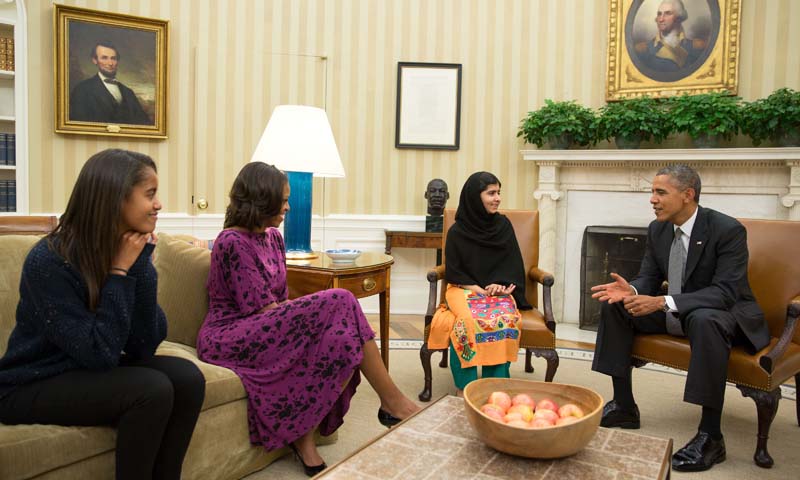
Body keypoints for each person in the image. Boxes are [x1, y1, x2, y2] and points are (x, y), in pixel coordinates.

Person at [196, 162, 420, 477]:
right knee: (340, 299)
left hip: (265, 324)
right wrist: (310, 317)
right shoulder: (231, 241)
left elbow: (281, 300)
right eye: (282, 199)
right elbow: (259, 309)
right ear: (262, 199)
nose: (288, 206)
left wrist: (308, 319)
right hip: (231, 334)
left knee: (342, 338)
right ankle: (393, 403)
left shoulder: (274, 237)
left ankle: (305, 439)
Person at [0, 149, 206, 480]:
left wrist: (139, 265)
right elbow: (100, 352)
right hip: (30, 381)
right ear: (115, 199)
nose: (159, 204)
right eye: (150, 194)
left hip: (82, 367)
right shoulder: (49, 261)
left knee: (187, 377)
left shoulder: (122, 249)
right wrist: (119, 272)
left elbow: (144, 344)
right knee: (150, 388)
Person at [590, 164, 770, 472]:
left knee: (704, 320)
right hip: (678, 310)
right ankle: (623, 406)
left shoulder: (727, 230)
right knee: (615, 305)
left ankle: (711, 436)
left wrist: (662, 301)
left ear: (688, 195)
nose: (652, 199)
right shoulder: (658, 228)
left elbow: (725, 293)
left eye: (660, 192)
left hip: (724, 314)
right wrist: (631, 289)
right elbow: (649, 275)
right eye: (652, 192)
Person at [427, 171, 531, 394]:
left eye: (498, 193)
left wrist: (499, 285)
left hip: (497, 292)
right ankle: (466, 386)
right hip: (463, 288)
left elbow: (512, 264)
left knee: (503, 318)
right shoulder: (457, 232)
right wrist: (476, 289)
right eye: (491, 193)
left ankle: (496, 386)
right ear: (475, 197)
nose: (497, 198)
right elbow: (454, 271)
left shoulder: (503, 226)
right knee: (466, 320)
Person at [70, 42, 153, 125]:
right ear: (95, 60)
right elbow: (78, 124)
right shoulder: (82, 89)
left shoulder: (128, 93)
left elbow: (144, 124)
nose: (110, 63)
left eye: (113, 58)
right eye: (104, 58)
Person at [634, 0, 706, 73]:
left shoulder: (696, 47)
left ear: (679, 17)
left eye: (668, 13)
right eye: (659, 14)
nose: (661, 19)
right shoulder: (644, 50)